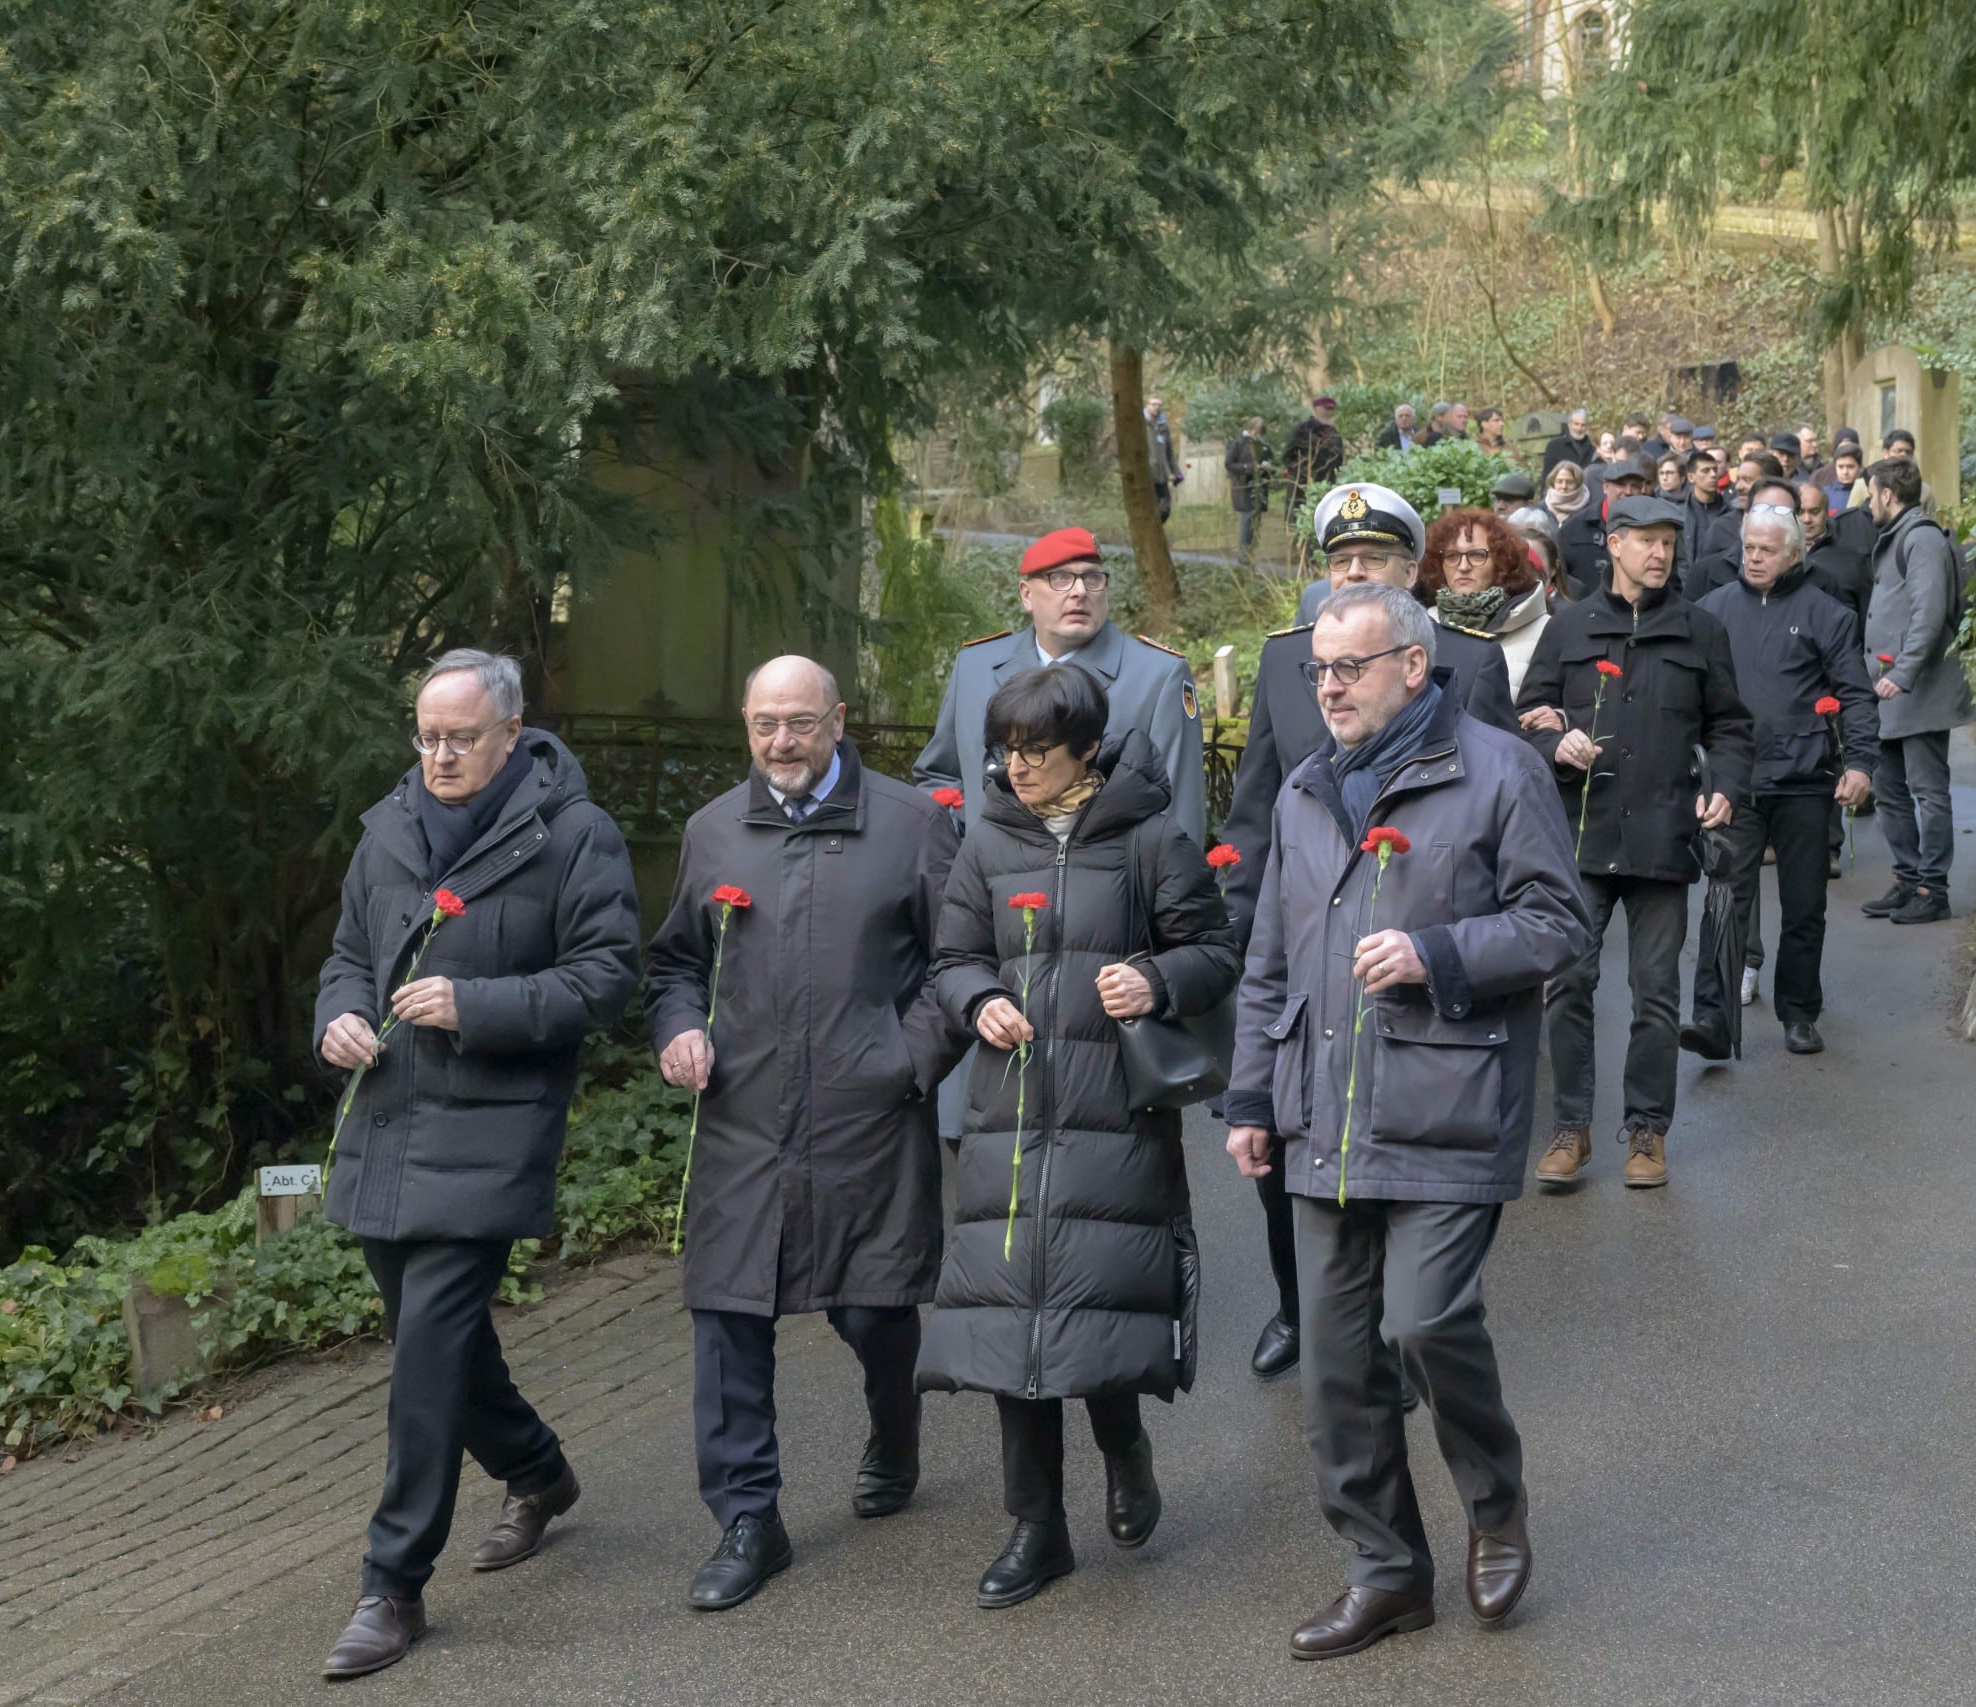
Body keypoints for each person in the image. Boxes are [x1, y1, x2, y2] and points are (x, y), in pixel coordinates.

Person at [1223, 581, 1588, 1661]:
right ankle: (1386, 1572)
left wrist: (1436, 956)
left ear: (1414, 668)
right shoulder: (1302, 790)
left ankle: (1491, 1499)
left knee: (1422, 1322)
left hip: (1446, 1105)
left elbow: (1557, 926)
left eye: (1352, 666)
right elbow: (1269, 959)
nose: (1329, 686)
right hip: (1318, 1114)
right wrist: (1250, 1096)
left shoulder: (1497, 771)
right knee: (1336, 1372)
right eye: (1318, 670)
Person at [314, 650, 640, 1681]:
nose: (439, 755)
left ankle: (392, 1586)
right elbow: (345, 956)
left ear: (510, 734)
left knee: (424, 1359)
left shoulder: (572, 834)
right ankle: (539, 1474)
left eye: (459, 737)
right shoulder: (386, 829)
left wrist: (478, 1005)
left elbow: (606, 978)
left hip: (494, 1126)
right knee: (440, 1345)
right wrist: (338, 1017)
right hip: (387, 1117)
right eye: (426, 735)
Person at [919, 666, 1240, 1609]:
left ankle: (1124, 1447)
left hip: (1113, 1112)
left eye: (1038, 752)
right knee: (1011, 1315)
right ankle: (1037, 1527)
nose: (1017, 768)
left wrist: (1155, 979)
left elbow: (1216, 951)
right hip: (1009, 1115)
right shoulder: (984, 841)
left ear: (1087, 750)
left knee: (1094, 1308)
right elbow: (951, 959)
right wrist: (978, 1000)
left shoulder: (1150, 838)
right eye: (1007, 750)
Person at [646, 656, 961, 1613]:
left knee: (872, 1306)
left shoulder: (912, 825)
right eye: (764, 724)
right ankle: (749, 1518)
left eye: (801, 723)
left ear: (838, 720)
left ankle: (894, 1426)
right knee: (728, 1311)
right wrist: (679, 1030)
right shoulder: (712, 833)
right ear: (746, 723)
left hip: (867, 1117)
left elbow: (959, 962)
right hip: (742, 1119)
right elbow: (671, 967)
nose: (781, 742)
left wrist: (903, 1062)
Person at [1217, 484, 1521, 1379]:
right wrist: (1242, 923)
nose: (1353, 570)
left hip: (1421, 966)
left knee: (1404, 1177)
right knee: (1288, 1140)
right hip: (1311, 947)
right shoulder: (1285, 662)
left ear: (1407, 573)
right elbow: (1259, 811)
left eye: (1376, 558)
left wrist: (1454, 950)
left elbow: (1496, 816)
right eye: (1340, 558)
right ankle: (1301, 1310)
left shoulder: (1465, 657)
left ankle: (1407, 1324)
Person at [1519, 497, 1751, 1191]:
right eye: (1646, 542)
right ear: (1613, 545)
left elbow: (1732, 728)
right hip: (1581, 840)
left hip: (1662, 839)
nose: (1660, 554)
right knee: (1567, 982)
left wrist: (1726, 787)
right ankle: (1570, 1126)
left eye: (1668, 543)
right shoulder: (1567, 627)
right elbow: (1527, 716)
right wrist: (1555, 741)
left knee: (1655, 994)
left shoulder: (1699, 630)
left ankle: (1647, 1129)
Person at [1684, 514, 1878, 1057]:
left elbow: (1857, 695)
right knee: (1725, 898)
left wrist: (1860, 764)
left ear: (1794, 555)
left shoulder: (1827, 614)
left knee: (1804, 903)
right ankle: (1712, 1016)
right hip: (1733, 782)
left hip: (1805, 780)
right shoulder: (1713, 610)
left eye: (1767, 549)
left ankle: (1798, 1011)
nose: (1754, 557)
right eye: (1748, 547)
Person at [915, 526, 1206, 848]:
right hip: (985, 886)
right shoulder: (975, 666)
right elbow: (939, 778)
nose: (1080, 591)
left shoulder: (1157, 676)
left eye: (1093, 578)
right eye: (1061, 578)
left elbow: (1179, 811)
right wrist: (965, 849)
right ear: (1026, 594)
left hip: (1105, 888)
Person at [1859, 458, 1976, 926]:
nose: (1868, 502)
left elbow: (1929, 615)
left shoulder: (1921, 538)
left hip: (1917, 689)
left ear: (1888, 494)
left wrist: (1904, 673)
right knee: (1890, 791)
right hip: (1890, 689)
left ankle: (1933, 888)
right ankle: (1908, 880)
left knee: (1928, 791)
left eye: (1871, 494)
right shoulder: (1897, 537)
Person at [1420, 507, 1557, 695]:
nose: (1463, 566)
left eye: (1477, 555)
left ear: (1502, 562)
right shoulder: (1424, 625)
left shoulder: (1544, 630)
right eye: (1452, 556)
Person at [1555, 457, 1650, 591]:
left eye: (1635, 486)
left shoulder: (1653, 528)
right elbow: (1561, 582)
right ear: (1605, 487)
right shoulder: (1572, 530)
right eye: (1621, 484)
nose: (1628, 491)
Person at [1797, 481, 1872, 624]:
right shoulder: (1778, 555)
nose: (1806, 520)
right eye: (1800, 512)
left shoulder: (1850, 557)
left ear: (1826, 513)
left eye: (1814, 512)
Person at [1283, 396, 1347, 529]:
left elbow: (1339, 459)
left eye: (1332, 409)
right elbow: (1287, 457)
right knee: (1299, 521)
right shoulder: (1302, 430)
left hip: (1326, 484)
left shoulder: (1334, 433)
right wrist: (1303, 474)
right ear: (1316, 409)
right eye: (1327, 409)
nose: (1330, 412)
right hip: (1302, 484)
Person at [1227, 416, 1272, 564]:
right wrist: (1249, 468)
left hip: (1259, 487)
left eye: (1260, 432)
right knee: (1246, 520)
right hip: (1243, 486)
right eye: (1255, 431)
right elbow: (1229, 464)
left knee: (1256, 520)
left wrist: (1267, 466)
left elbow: (1272, 462)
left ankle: (1251, 551)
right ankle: (1243, 554)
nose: (1257, 434)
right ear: (1251, 428)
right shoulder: (1238, 443)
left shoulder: (1263, 445)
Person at [1143, 395, 1183, 523]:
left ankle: (1156, 530)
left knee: (1165, 509)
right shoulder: (1140, 425)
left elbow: (1169, 453)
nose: (1156, 407)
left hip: (1161, 474)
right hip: (1146, 475)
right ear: (1147, 405)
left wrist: (1177, 473)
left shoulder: (1163, 426)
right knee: (1149, 509)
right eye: (1153, 404)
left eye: (1159, 405)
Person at [1541, 408, 1597, 479]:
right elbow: (1547, 475)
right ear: (1569, 425)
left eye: (1583, 425)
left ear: (1587, 427)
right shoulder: (1555, 446)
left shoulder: (1593, 450)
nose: (1579, 428)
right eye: (1576, 424)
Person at [1541, 458, 1591, 535]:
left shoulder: (1589, 508)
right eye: (1559, 481)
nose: (1564, 486)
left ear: (1578, 483)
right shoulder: (1542, 508)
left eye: (1570, 482)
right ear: (1553, 482)